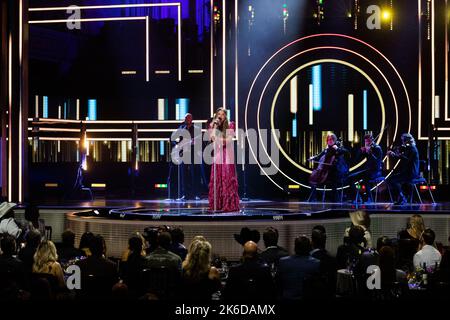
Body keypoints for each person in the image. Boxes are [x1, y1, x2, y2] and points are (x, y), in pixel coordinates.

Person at [208, 107, 240, 212]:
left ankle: (229, 205)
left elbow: (228, 141)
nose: (220, 116)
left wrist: (218, 139)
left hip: (227, 154)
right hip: (217, 154)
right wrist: (214, 127)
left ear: (225, 116)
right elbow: (211, 138)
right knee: (217, 178)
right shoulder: (213, 125)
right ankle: (218, 204)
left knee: (227, 178)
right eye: (218, 114)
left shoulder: (231, 125)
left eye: (222, 114)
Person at [170, 113, 204, 200]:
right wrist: (177, 145)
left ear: (191, 119)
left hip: (194, 154)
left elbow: (201, 141)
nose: (187, 119)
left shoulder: (196, 129)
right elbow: (172, 138)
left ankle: (196, 194)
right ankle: (184, 194)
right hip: (184, 154)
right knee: (183, 175)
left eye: (188, 118)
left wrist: (195, 142)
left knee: (195, 174)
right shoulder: (181, 129)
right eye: (186, 118)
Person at [308, 133, 349, 202]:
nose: (329, 141)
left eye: (331, 140)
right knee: (312, 180)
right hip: (326, 172)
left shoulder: (337, 148)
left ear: (334, 140)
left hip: (336, 172)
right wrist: (313, 158)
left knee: (333, 181)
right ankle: (314, 198)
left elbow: (347, 152)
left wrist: (338, 149)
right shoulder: (326, 149)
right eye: (328, 140)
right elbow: (318, 156)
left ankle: (336, 200)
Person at [387, 133, 420, 205]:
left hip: (411, 173)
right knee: (391, 179)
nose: (402, 142)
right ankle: (403, 196)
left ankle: (402, 197)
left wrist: (399, 155)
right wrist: (394, 155)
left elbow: (407, 160)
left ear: (407, 140)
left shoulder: (412, 148)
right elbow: (403, 158)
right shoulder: (409, 148)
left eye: (403, 140)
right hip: (407, 172)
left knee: (391, 180)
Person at [352, 134, 383, 203]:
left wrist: (371, 153)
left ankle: (369, 198)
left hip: (376, 171)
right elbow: (357, 159)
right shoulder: (367, 148)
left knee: (365, 179)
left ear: (372, 140)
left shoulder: (377, 148)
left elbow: (377, 161)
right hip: (368, 170)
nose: (367, 143)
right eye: (366, 141)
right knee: (352, 178)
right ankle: (360, 196)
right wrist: (361, 151)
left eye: (369, 141)